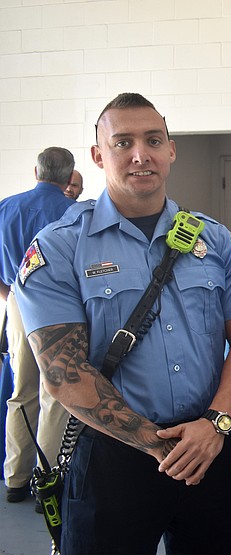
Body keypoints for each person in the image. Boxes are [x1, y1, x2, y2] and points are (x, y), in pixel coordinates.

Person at [14, 93, 231, 554]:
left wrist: (216, 423)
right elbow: (62, 372)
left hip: (208, 443)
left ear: (171, 149)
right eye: (122, 142)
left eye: (152, 140)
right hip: (113, 455)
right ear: (97, 155)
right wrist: (156, 445)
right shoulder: (59, 248)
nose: (140, 154)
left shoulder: (214, 239)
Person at [1, 147, 76, 504]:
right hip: (62, 307)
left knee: (21, 391)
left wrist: (13, 298)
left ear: (36, 171)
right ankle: (47, 479)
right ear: (68, 177)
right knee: (56, 394)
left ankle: (15, 479)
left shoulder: (6, 207)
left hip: (17, 299)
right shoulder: (74, 212)